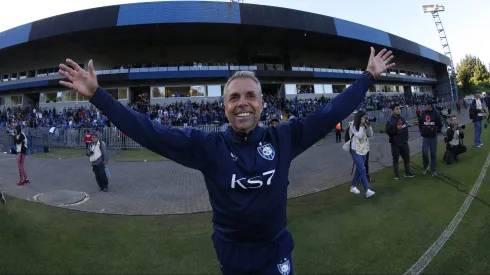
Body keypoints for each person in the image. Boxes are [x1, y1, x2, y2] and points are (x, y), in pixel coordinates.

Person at [59, 47, 394, 275]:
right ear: (225, 107)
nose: (243, 103)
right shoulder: (208, 146)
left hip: (276, 251)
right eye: (234, 97)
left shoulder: (284, 138)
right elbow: (149, 132)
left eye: (250, 96)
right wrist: (100, 97)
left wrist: (367, 77)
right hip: (231, 254)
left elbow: (330, 112)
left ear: (263, 104)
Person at [348, 111, 375, 198]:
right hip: (355, 150)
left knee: (359, 169)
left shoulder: (364, 126)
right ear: (359, 118)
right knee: (362, 169)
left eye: (365, 117)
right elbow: (359, 135)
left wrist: (369, 126)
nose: (365, 119)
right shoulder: (353, 125)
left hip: (364, 149)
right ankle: (367, 190)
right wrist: (361, 125)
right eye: (363, 117)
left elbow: (371, 135)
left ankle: (353, 186)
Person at [385, 103, 415, 179]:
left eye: (399, 109)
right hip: (395, 144)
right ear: (393, 110)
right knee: (395, 160)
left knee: (407, 158)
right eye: (397, 109)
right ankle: (396, 174)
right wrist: (396, 129)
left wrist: (406, 139)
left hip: (404, 142)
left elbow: (405, 129)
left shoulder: (402, 118)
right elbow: (389, 132)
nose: (399, 110)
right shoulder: (390, 121)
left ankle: (407, 172)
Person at [418, 99, 442, 176]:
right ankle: (426, 166)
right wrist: (421, 130)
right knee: (424, 152)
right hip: (425, 136)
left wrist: (435, 131)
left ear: (430, 105)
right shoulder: (423, 113)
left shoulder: (436, 113)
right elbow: (420, 122)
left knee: (433, 153)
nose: (425, 106)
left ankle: (434, 169)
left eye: (426, 105)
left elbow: (439, 124)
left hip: (433, 137)